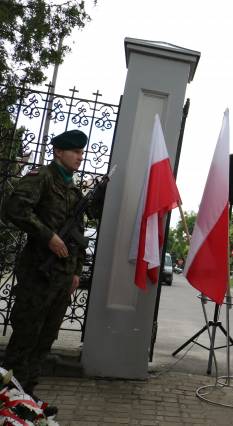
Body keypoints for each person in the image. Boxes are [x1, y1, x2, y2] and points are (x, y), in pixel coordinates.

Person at [3, 130, 101, 415]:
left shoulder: (74, 191)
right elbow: (14, 208)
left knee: (45, 340)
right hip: (38, 275)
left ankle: (28, 398)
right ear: (59, 152)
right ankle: (8, 399)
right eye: (75, 152)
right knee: (25, 339)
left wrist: (76, 273)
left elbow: (79, 236)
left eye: (82, 153)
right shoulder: (41, 178)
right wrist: (47, 236)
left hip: (61, 279)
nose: (80, 157)